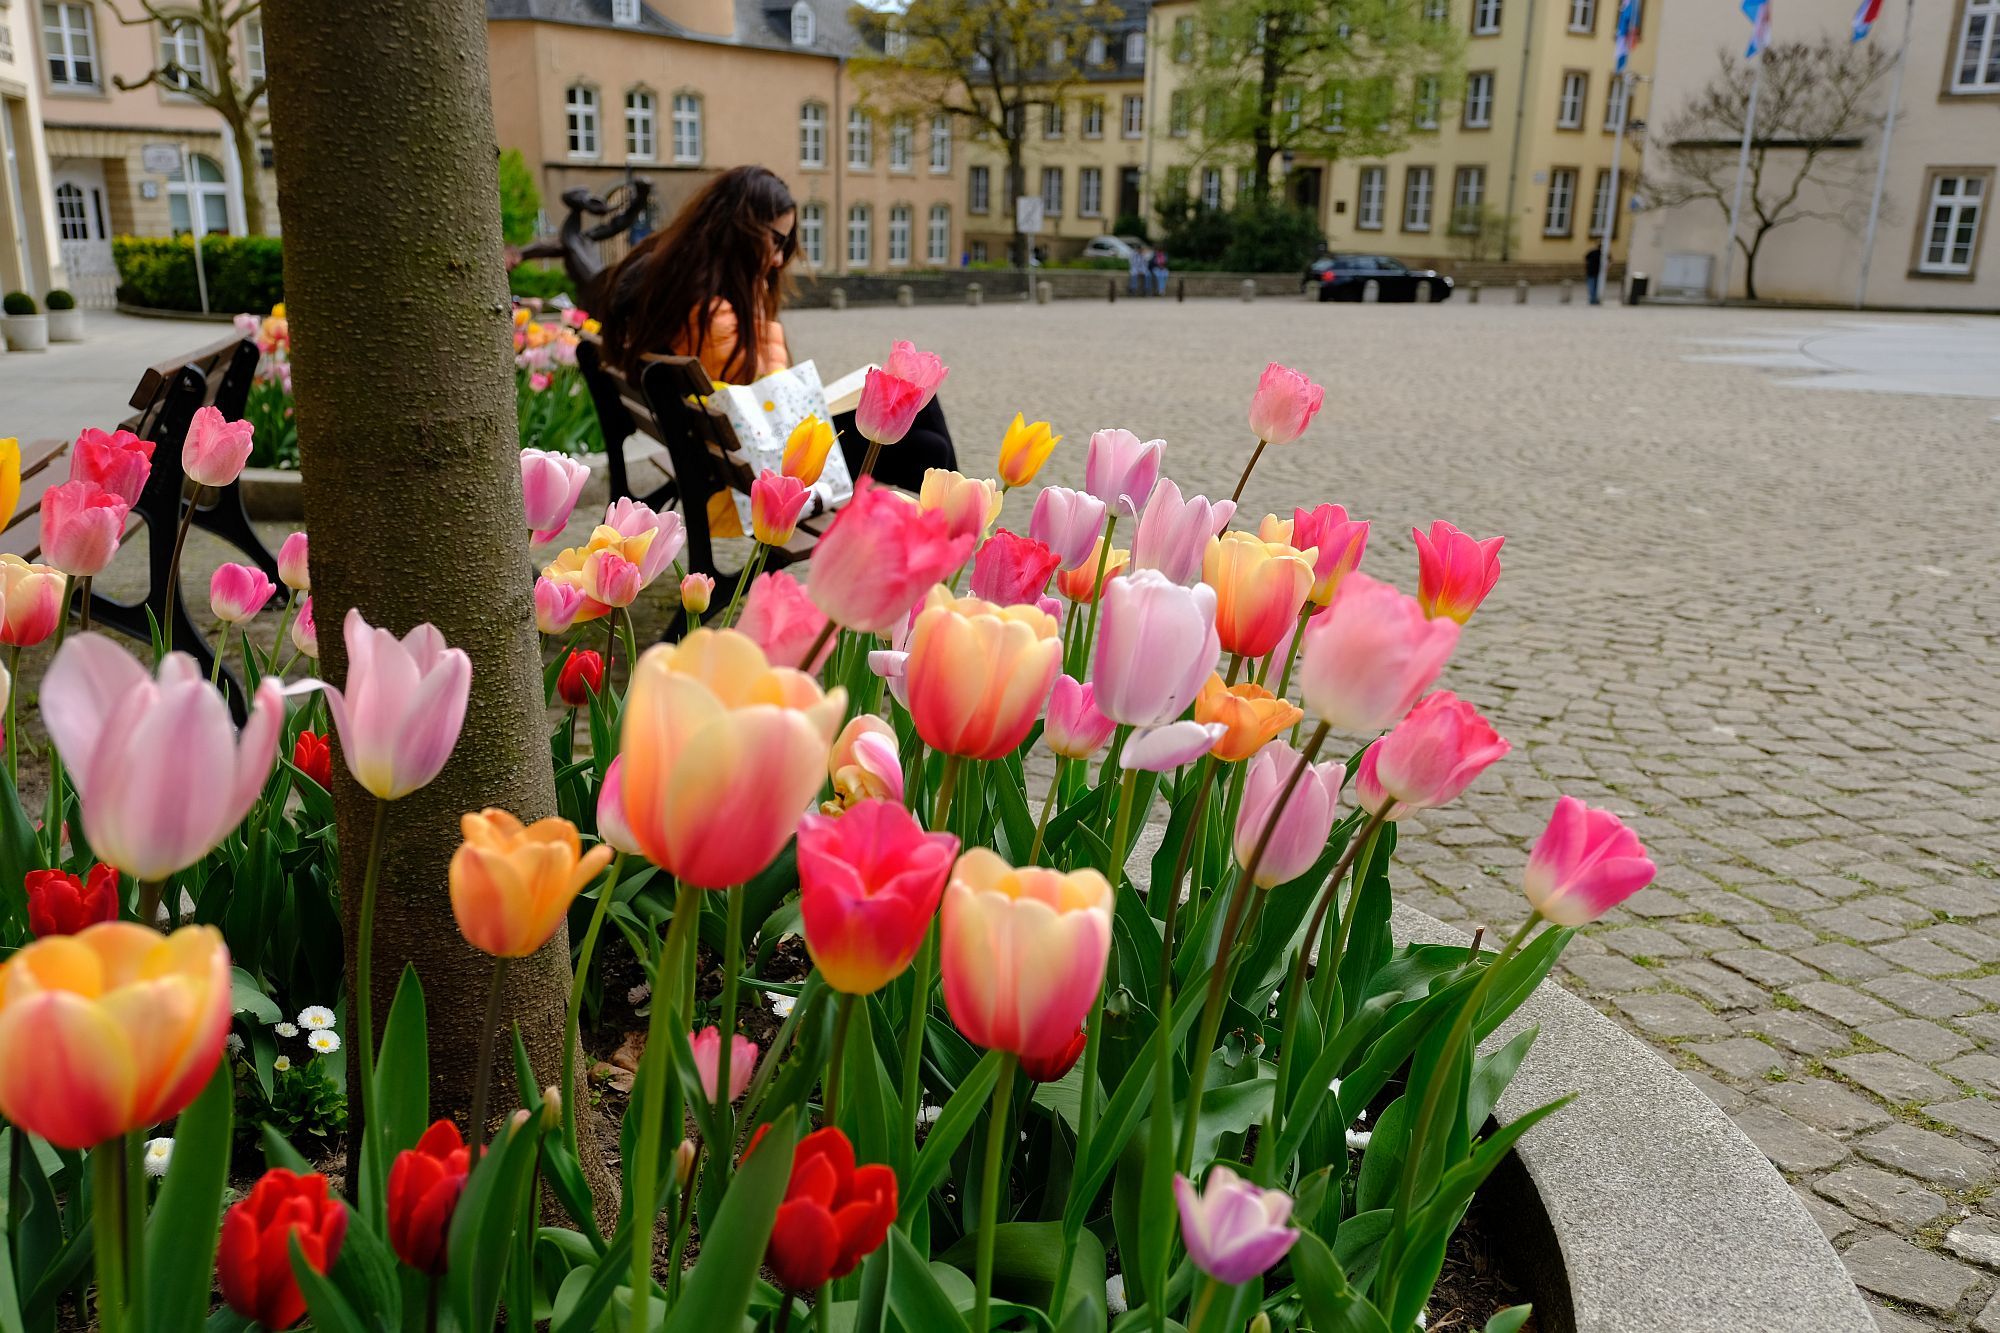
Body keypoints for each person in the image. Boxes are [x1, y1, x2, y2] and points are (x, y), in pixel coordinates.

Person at [601, 164, 956, 491]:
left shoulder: (675, 282)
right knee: (926, 436)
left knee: (919, 410)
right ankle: (956, 530)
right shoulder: (714, 312)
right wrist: (757, 311)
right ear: (739, 228)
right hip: (767, 466)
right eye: (777, 241)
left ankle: (952, 524)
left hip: (731, 453)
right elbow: (768, 396)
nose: (777, 260)